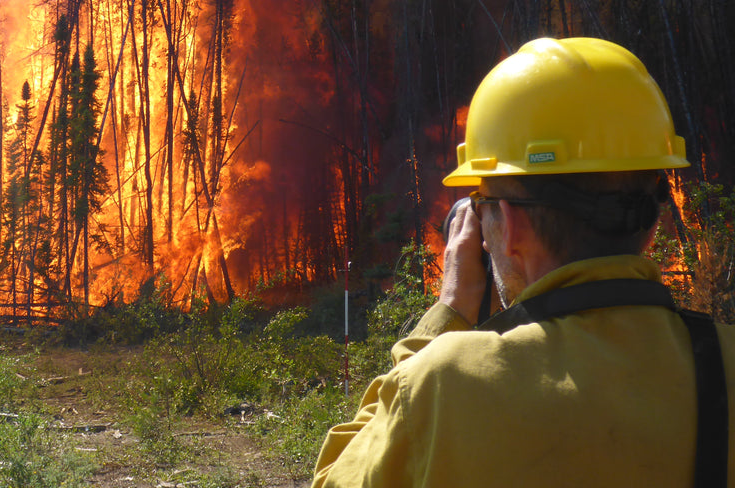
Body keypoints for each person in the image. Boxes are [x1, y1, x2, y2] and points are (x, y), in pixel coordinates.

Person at [311, 36, 735, 488]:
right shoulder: (725, 365)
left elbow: (334, 477)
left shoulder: (444, 386)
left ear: (508, 226)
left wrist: (449, 311)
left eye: (481, 202)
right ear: (651, 223)